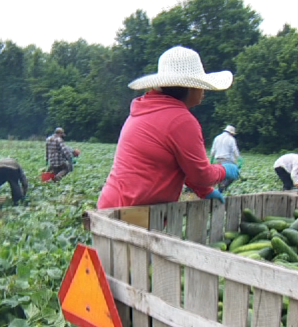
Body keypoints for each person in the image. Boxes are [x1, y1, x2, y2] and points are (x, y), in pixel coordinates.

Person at [97, 46, 239, 209]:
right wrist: (223, 171)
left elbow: (173, 164)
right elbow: (201, 174)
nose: (203, 92)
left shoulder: (146, 108)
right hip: (132, 214)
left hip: (111, 208)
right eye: (201, 86)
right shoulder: (182, 120)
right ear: (190, 88)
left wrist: (203, 190)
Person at [210, 125, 242, 192]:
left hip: (218, 160)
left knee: (221, 175)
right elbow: (235, 150)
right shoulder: (231, 139)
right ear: (231, 133)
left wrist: (211, 160)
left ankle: (221, 189)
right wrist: (239, 159)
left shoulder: (217, 138)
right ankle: (224, 186)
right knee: (234, 174)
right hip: (228, 160)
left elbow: (213, 150)